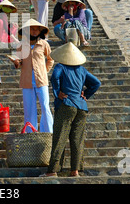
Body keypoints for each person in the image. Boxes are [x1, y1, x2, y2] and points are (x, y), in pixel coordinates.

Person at [41, 42, 101, 177]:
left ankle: (53, 171)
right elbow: (96, 83)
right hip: (81, 107)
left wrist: (58, 93)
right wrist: (86, 94)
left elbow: (54, 77)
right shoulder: (82, 70)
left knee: (60, 137)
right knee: (77, 139)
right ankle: (75, 170)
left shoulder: (60, 67)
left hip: (66, 104)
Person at [11, 19, 54, 133]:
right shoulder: (21, 46)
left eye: (37, 29)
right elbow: (20, 62)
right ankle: (31, 133)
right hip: (27, 81)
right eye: (32, 29)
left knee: (45, 107)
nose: (35, 31)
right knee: (29, 109)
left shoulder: (44, 44)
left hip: (41, 81)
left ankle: (48, 132)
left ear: (40, 31)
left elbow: (50, 59)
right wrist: (17, 63)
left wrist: (44, 71)